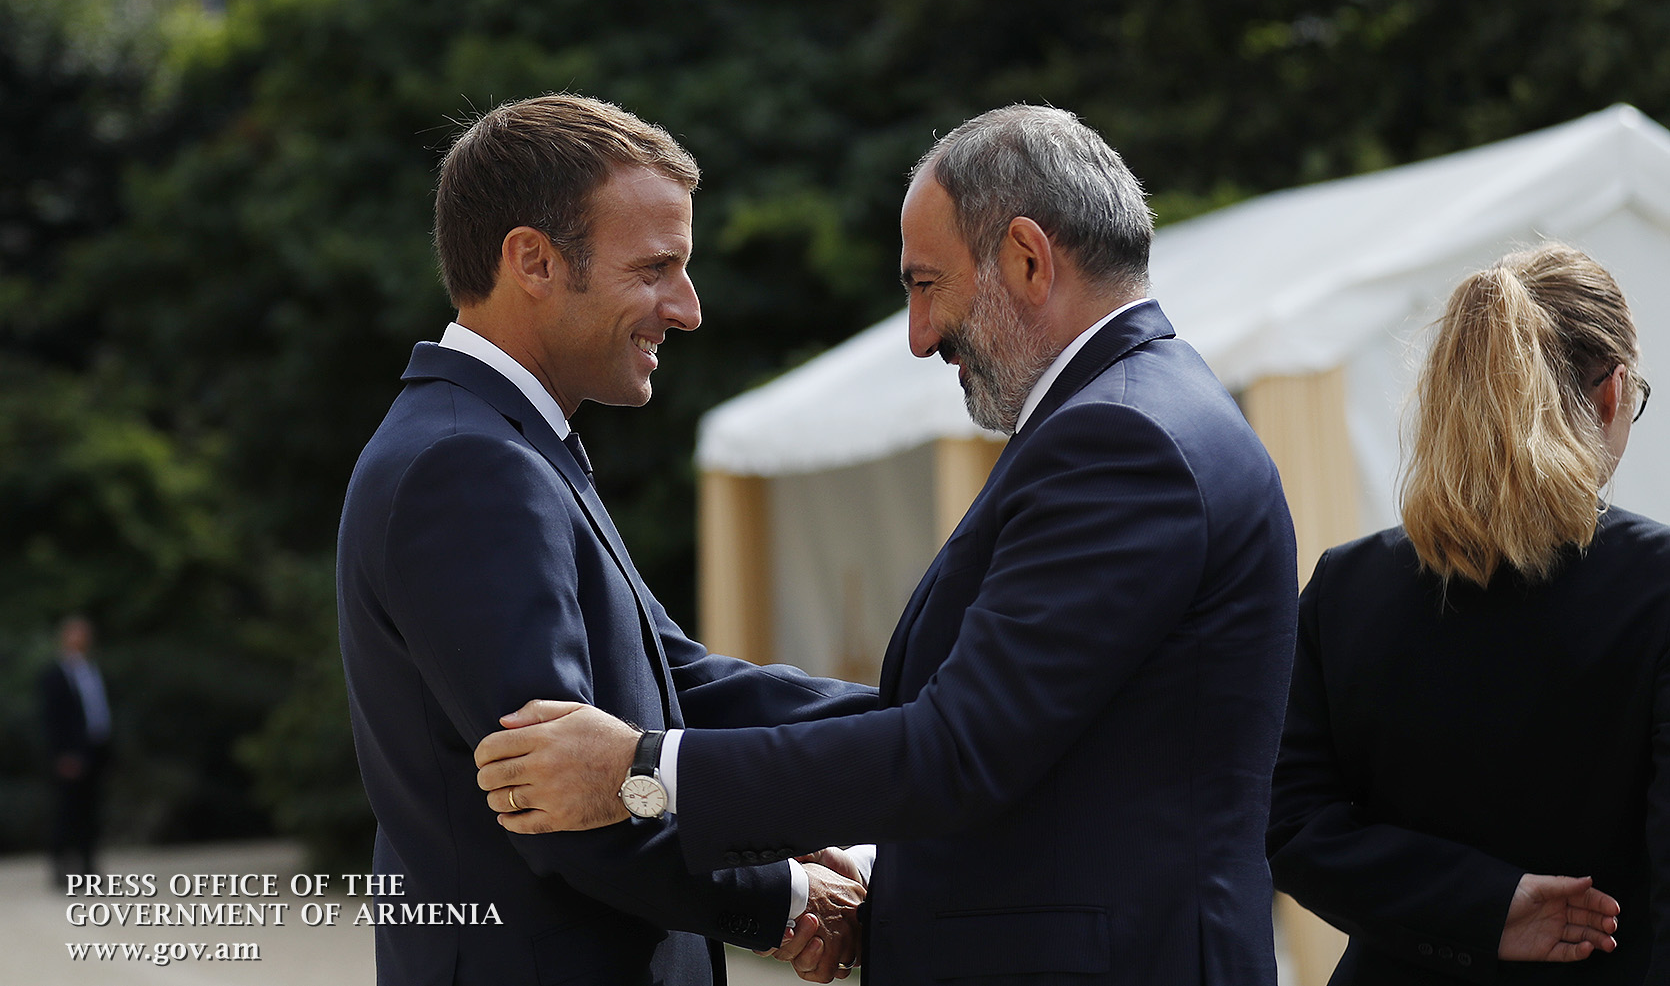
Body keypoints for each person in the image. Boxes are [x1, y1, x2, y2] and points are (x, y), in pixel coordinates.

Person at [472, 104, 1302, 984]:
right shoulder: (1135, 415)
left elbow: (957, 750)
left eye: (926, 284)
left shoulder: (1122, 441)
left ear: (1027, 257)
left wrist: (644, 770)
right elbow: (990, 735)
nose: (919, 335)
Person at [335, 93, 875, 986]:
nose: (688, 308)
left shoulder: (498, 443)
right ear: (533, 261)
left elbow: (681, 683)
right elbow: (559, 802)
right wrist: (789, 896)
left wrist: (934, 724)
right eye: (657, 267)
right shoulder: (469, 464)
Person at [1266, 243, 1660, 983]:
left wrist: (1483, 906)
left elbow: (1287, 822)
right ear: (1612, 394)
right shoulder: (1658, 586)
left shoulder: (1345, 586)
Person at [39, 613, 112, 885]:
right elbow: (52, 719)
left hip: (96, 751)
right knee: (67, 812)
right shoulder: (53, 675)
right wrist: (63, 754)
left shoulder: (94, 671)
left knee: (91, 812)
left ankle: (88, 867)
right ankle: (61, 867)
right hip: (70, 755)